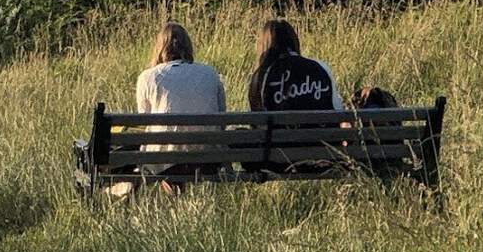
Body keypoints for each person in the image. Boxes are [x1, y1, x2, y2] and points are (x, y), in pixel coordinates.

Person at [134, 21, 226, 183]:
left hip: (163, 160)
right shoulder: (210, 74)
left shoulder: (148, 77)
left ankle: (174, 194)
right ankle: (177, 194)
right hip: (208, 158)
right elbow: (222, 119)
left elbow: (145, 122)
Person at [247, 18, 343, 112]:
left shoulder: (260, 77)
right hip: (321, 128)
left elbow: (256, 121)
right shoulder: (320, 67)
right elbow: (337, 110)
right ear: (294, 41)